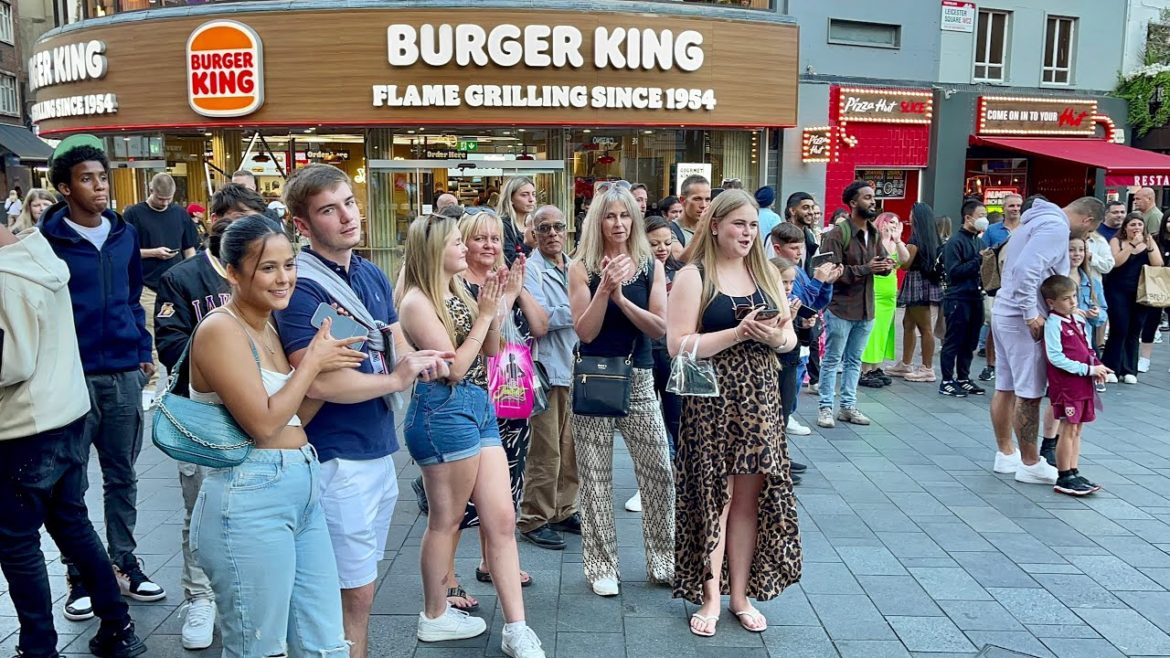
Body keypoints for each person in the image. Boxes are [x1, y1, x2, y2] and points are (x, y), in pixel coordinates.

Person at [275, 164, 449, 658]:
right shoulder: (302, 287)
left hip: (375, 446)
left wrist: (416, 359)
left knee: (360, 584)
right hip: (333, 453)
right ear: (303, 225)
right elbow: (320, 379)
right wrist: (396, 378)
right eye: (329, 210)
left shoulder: (370, 271)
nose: (348, 216)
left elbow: (392, 340)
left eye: (349, 202)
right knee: (346, 590)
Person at [187, 214, 368, 656]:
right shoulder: (219, 330)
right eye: (268, 267)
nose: (284, 277)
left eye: (289, 264)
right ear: (231, 272)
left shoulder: (269, 325)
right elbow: (263, 425)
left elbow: (293, 418)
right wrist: (310, 365)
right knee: (260, 647)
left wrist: (326, 367)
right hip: (247, 496)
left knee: (324, 644)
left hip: (299, 487)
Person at [398, 212, 547, 657]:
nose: (466, 248)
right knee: (447, 520)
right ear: (434, 250)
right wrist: (485, 314)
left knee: (502, 518)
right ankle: (434, 614)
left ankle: (517, 627)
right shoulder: (417, 302)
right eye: (458, 243)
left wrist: (500, 309)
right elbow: (454, 368)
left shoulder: (457, 289)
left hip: (479, 406)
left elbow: (495, 351)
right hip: (443, 411)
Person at [0, 220, 148, 658]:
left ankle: (39, 646)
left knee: (17, 541)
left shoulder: (6, 278)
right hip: (64, 413)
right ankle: (118, 627)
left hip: (23, 428)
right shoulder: (37, 255)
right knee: (71, 523)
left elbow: (12, 362)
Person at [41, 135, 167, 619]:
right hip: (69, 379)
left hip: (121, 374)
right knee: (69, 483)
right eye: (87, 179)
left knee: (122, 475)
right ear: (65, 189)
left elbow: (134, 297)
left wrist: (141, 349)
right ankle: (80, 574)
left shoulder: (123, 234)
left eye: (102, 177)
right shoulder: (46, 243)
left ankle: (125, 563)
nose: (99, 188)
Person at [666, 188, 801, 638]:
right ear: (717, 225)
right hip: (712, 400)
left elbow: (790, 341)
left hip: (761, 396)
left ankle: (740, 596)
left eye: (751, 225)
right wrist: (738, 333)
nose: (746, 233)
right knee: (714, 498)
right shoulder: (693, 276)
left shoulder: (763, 271)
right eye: (738, 224)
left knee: (748, 501)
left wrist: (775, 337)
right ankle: (708, 595)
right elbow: (678, 345)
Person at [151, 183, 268, 650]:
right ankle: (200, 598)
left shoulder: (267, 271)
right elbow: (170, 344)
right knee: (201, 507)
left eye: (246, 216)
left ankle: (248, 593)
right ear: (212, 221)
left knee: (256, 508)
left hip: (263, 409)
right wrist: (227, 363)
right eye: (227, 215)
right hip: (204, 415)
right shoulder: (184, 277)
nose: (234, 224)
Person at [569, 184, 674, 597]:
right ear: (598, 220)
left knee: (659, 472)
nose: (618, 223)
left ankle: (663, 561)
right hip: (594, 376)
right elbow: (585, 331)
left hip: (640, 377)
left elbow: (660, 328)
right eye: (610, 216)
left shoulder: (650, 264)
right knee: (594, 478)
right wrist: (602, 289)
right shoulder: (580, 265)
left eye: (625, 215)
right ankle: (601, 566)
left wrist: (622, 299)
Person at [990, 196, 1104, 485]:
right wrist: (1031, 314)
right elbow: (1026, 271)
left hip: (1006, 310)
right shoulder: (1055, 228)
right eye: (1089, 232)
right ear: (1087, 220)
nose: (1085, 237)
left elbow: (1020, 268)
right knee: (1028, 392)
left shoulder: (1037, 221)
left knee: (1006, 386)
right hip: (1022, 315)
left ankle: (1006, 454)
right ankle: (1029, 463)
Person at [520, 205, 582, 551]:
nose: (553, 233)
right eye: (544, 228)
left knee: (571, 448)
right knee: (546, 450)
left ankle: (562, 508)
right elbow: (539, 319)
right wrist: (582, 308)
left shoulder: (575, 266)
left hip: (575, 368)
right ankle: (533, 517)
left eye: (558, 226)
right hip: (546, 369)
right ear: (533, 233)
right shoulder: (530, 270)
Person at [816, 181, 893, 428]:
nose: (873, 201)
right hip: (840, 308)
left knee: (854, 361)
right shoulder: (838, 234)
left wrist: (885, 267)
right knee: (832, 359)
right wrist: (866, 269)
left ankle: (848, 407)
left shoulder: (875, 233)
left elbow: (880, 262)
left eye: (873, 197)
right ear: (852, 203)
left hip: (866, 308)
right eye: (868, 197)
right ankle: (826, 408)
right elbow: (831, 271)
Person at [123, 173, 199, 392]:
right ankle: (151, 385)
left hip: (176, 287)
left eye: (168, 199)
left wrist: (193, 275)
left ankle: (177, 383)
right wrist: (152, 253)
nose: (164, 203)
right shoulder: (134, 214)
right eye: (160, 199)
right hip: (147, 284)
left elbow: (189, 248)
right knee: (150, 334)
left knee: (180, 335)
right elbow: (126, 250)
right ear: (150, 190)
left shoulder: (180, 214)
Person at [1039, 236, 1110, 466]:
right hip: (1070, 382)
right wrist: (1088, 368)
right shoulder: (1054, 323)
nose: (1073, 302)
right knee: (1069, 428)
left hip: (1083, 380)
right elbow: (1056, 356)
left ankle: (1074, 469)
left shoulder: (1076, 317)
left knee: (1077, 429)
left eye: (1074, 298)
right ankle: (1064, 472)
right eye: (1067, 299)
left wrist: (1096, 364)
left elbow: (1089, 339)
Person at [770, 222, 839, 438]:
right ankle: (784, 418)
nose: (799, 252)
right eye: (794, 248)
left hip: (801, 339)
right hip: (787, 341)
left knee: (796, 383)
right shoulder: (774, 272)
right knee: (785, 389)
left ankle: (787, 416)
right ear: (778, 248)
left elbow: (815, 304)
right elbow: (801, 302)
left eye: (801, 247)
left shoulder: (797, 272)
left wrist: (826, 283)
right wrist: (818, 280)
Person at [1102, 212, 1163, 383]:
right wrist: (1131, 246)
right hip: (1118, 289)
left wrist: (1149, 246)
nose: (1136, 228)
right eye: (1132, 225)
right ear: (1126, 227)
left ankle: (1129, 369)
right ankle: (1111, 367)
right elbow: (1116, 262)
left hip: (1141, 292)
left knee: (1135, 329)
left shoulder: (1149, 241)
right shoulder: (1117, 241)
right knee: (1119, 328)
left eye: (1139, 225)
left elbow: (1158, 264)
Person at [938, 200, 988, 397]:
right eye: (980, 215)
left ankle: (964, 377)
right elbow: (954, 271)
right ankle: (947, 380)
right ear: (968, 218)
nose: (984, 219)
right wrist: (979, 260)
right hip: (958, 297)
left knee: (970, 340)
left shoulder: (979, 241)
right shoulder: (955, 242)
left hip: (976, 296)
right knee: (954, 340)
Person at [889, 203, 943, 383]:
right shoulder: (933, 238)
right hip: (927, 282)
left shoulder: (915, 241)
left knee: (924, 327)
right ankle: (906, 363)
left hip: (917, 284)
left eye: (911, 213)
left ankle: (927, 368)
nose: (909, 216)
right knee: (908, 323)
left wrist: (898, 245)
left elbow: (905, 264)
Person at [645, 215, 685, 452]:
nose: (662, 249)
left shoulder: (681, 272)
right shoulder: (635, 272)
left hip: (673, 352)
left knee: (677, 417)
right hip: (645, 351)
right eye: (655, 243)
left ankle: (682, 475)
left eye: (667, 242)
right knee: (647, 421)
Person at [859, 212, 909, 389]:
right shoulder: (874, 241)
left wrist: (898, 240)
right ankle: (865, 369)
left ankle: (876, 366)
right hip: (874, 289)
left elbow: (904, 260)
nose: (893, 225)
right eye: (890, 222)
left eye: (896, 222)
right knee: (872, 330)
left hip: (890, 292)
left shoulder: (896, 243)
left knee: (885, 330)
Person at [977, 194, 1022, 380]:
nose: (1015, 208)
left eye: (1018, 205)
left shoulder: (1026, 229)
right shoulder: (993, 230)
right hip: (997, 284)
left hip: (1019, 284)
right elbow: (982, 252)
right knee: (993, 324)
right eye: (1011, 205)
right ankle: (990, 364)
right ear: (1004, 208)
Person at [1138, 212, 1170, 373]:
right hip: (1156, 286)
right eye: (1169, 221)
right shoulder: (1156, 239)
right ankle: (1145, 359)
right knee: (1151, 321)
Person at [497, 176, 537, 265]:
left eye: (533, 194)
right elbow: (510, 260)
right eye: (524, 195)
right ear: (511, 199)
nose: (531, 199)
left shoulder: (534, 224)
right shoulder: (503, 226)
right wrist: (529, 245)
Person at [670, 174, 711, 255]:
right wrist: (701, 229)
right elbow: (680, 260)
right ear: (682, 200)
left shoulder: (713, 229)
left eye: (707, 199)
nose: (703, 205)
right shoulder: (670, 230)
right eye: (697, 199)